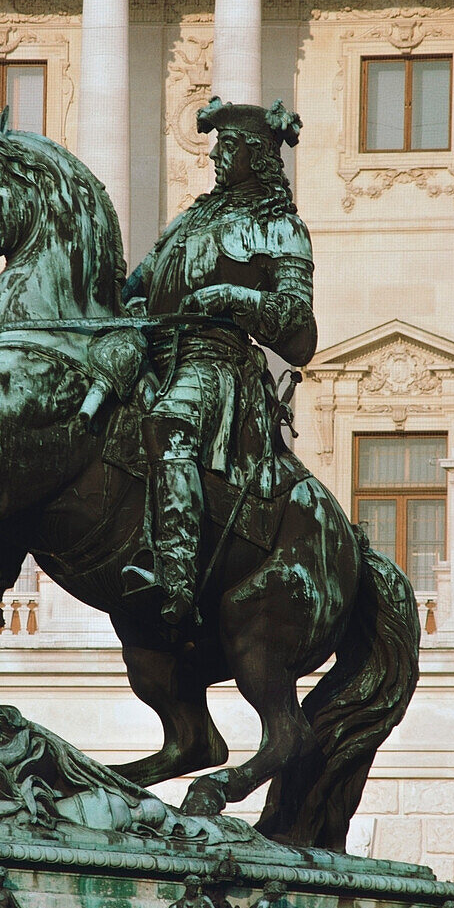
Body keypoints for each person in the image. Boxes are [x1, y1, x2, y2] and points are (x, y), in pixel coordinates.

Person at [121, 96, 317, 626]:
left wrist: (234, 298)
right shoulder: (190, 220)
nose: (215, 157)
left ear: (256, 154)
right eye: (216, 145)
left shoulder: (279, 228)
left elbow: (300, 333)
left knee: (168, 424)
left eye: (227, 146)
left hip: (216, 362)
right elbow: (134, 285)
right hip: (153, 352)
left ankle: (176, 579)